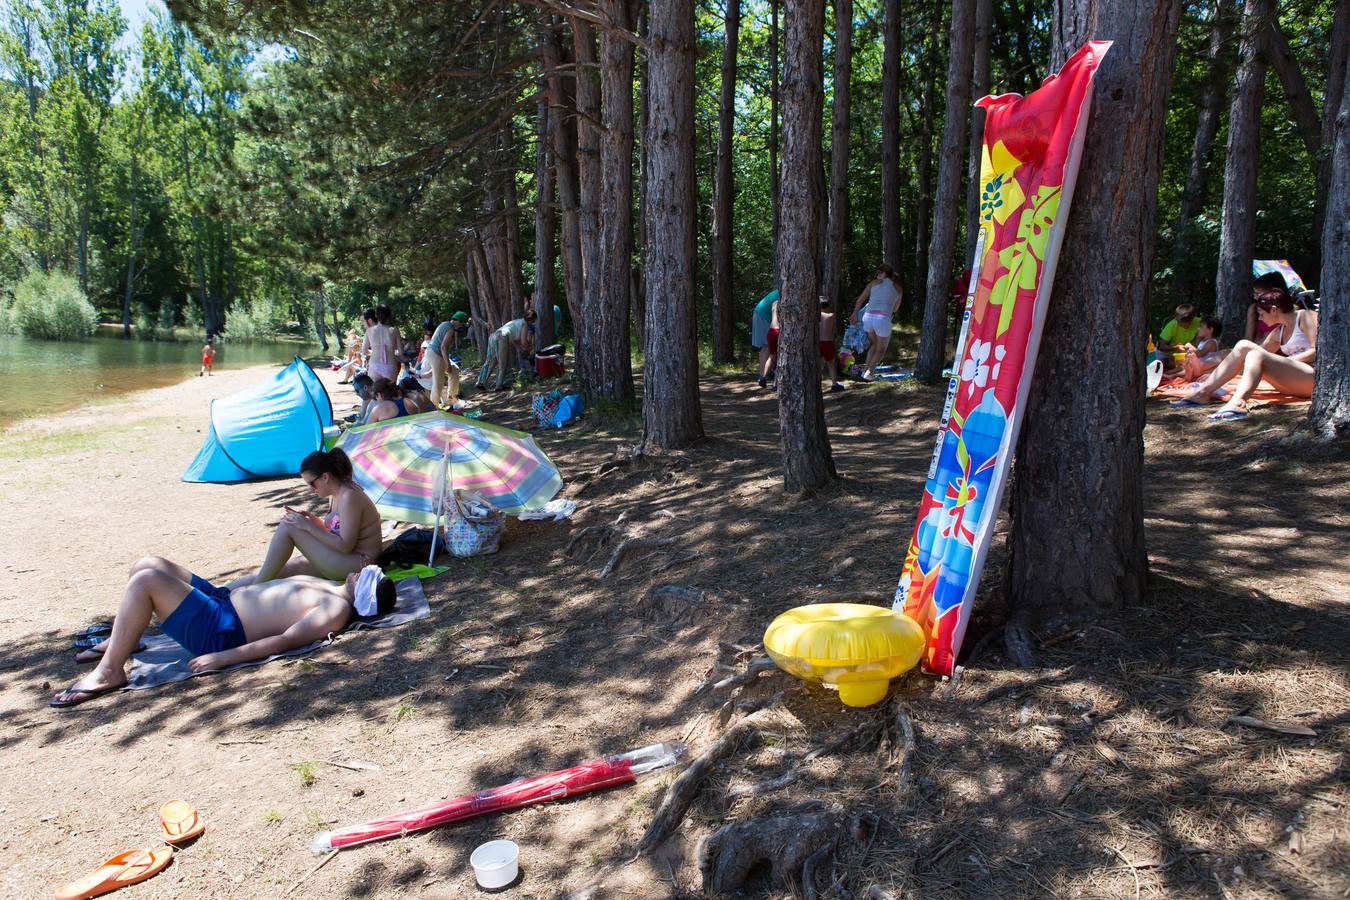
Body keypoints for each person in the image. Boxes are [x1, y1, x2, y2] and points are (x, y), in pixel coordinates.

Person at [50, 560, 395, 707]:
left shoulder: (336, 610)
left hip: (221, 630)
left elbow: (286, 641)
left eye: (365, 573)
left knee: (146, 582)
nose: (360, 569)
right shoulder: (329, 585)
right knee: (147, 564)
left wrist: (224, 657)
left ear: (363, 588)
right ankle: (126, 639)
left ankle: (111, 670)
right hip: (221, 600)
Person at [1172, 289, 1318, 422]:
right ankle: (1203, 392)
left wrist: (1286, 361)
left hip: (1313, 379)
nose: (1260, 318)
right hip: (1293, 382)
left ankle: (1238, 403)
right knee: (1243, 345)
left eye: (1261, 314)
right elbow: (1247, 355)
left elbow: (1315, 350)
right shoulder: (1279, 331)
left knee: (1255, 354)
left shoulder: (1305, 316)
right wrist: (1213, 374)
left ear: (1274, 310)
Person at [243, 448, 384, 583]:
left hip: (360, 564)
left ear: (325, 477)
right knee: (276, 569)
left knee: (288, 526)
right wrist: (314, 521)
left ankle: (253, 591)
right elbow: (335, 532)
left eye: (312, 484)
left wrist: (308, 527)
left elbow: (345, 545)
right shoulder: (336, 494)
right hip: (345, 558)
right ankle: (225, 592)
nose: (311, 490)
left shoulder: (349, 496)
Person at [850, 264, 903, 380]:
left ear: (884, 274)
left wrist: (854, 313)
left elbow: (860, 300)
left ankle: (865, 371)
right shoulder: (899, 289)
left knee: (875, 344)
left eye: (879, 273)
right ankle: (869, 373)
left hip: (868, 318)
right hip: (883, 319)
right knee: (881, 349)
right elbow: (895, 309)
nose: (877, 275)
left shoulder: (873, 284)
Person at [477, 310, 538, 391]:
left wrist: (521, 348)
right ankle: (499, 385)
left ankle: (480, 381)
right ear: (532, 319)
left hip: (493, 336)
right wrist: (530, 348)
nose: (533, 323)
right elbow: (523, 341)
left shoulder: (516, 322)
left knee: (490, 361)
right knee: (502, 363)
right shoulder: (525, 324)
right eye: (533, 321)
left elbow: (514, 340)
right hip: (502, 338)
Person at [424, 318, 462, 409]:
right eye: (461, 324)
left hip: (434, 353)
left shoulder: (444, 323)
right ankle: (434, 407)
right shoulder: (450, 328)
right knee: (438, 382)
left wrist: (449, 364)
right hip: (434, 354)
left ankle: (451, 397)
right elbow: (443, 347)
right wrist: (447, 364)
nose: (461, 326)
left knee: (454, 370)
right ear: (457, 321)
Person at [1244, 272, 1291, 343]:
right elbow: (1248, 338)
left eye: (1258, 293)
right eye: (1254, 293)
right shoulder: (1254, 308)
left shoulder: (1288, 310)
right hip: (1259, 347)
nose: (1255, 297)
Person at [1157, 303, 1200, 373]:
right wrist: (1176, 347)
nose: (1178, 322)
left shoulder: (1199, 322)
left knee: (1182, 364)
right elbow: (1161, 346)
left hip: (1183, 353)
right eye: (1177, 320)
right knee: (1158, 367)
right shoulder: (1172, 325)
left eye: (1180, 322)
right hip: (1166, 352)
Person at [362, 306, 400, 382]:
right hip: (390, 365)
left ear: (376, 316)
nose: (362, 323)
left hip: (374, 364)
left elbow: (364, 351)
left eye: (362, 321)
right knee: (390, 392)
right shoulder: (394, 330)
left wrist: (376, 352)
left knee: (374, 391)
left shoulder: (369, 331)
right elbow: (400, 352)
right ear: (389, 316)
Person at [1180, 317, 1223, 382]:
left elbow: (1200, 354)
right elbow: (1197, 350)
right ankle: (1167, 374)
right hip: (1199, 365)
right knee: (1182, 365)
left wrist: (1190, 346)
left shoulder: (1211, 342)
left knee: (1185, 369)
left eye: (1201, 327)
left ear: (1210, 329)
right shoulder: (1203, 341)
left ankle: (1171, 375)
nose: (1198, 329)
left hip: (1205, 367)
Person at [751, 289, 779, 387]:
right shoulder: (785, 291)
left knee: (768, 347)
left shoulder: (784, 290)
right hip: (762, 316)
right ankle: (762, 376)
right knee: (765, 347)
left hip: (765, 316)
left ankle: (766, 374)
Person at [819, 297, 845, 393]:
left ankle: (816, 384)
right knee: (831, 365)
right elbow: (833, 331)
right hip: (828, 342)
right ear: (828, 306)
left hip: (817, 343)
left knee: (818, 365)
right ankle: (834, 384)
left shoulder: (815, 316)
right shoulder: (831, 316)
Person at [759, 296, 781, 389]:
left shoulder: (774, 303)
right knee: (780, 357)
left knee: (772, 356)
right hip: (779, 330)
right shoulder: (786, 303)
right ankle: (775, 384)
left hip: (771, 331)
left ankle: (763, 378)